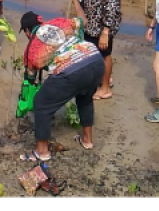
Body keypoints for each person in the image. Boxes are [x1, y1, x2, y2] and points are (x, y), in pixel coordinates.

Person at [18, 12, 106, 163]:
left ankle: (42, 151)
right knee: (84, 98)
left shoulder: (31, 47)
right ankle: (87, 140)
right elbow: (80, 22)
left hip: (71, 70)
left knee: (41, 104)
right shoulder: (57, 22)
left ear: (27, 31)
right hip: (95, 59)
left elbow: (30, 77)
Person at [70, 0, 121, 101]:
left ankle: (105, 89)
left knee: (104, 54)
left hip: (102, 26)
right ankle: (104, 79)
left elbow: (112, 6)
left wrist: (106, 31)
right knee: (95, 54)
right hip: (91, 24)